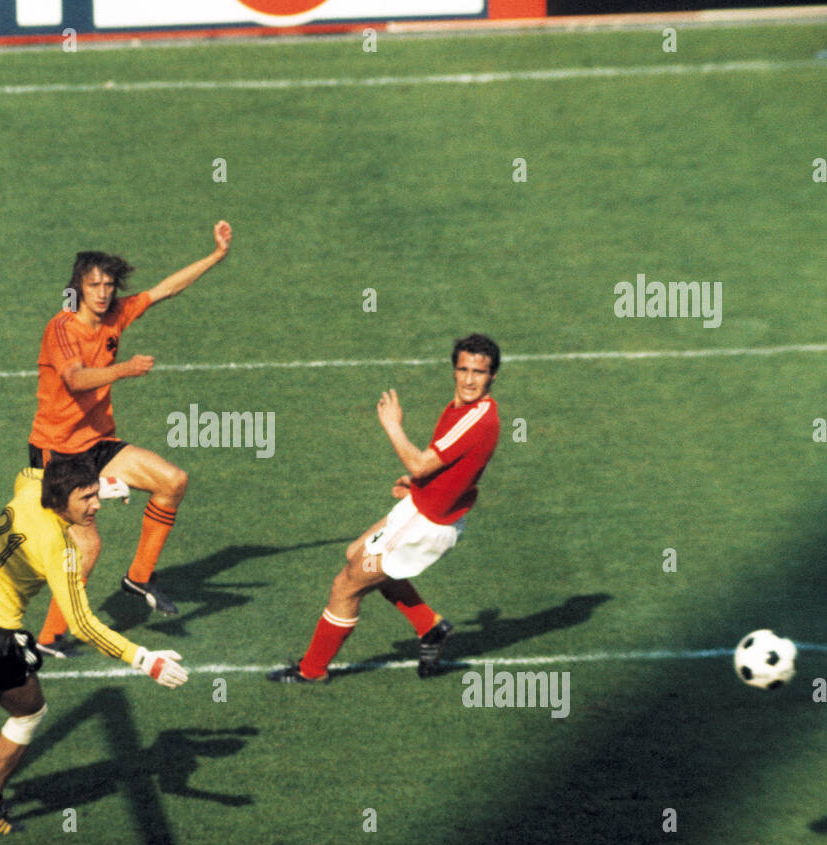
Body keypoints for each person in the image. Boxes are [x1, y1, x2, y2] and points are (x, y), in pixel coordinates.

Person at [0, 457, 189, 834]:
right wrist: (144, 659)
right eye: (88, 499)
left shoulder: (31, 491)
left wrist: (103, 482)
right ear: (61, 499)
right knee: (29, 713)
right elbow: (81, 622)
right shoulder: (59, 549)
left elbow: (29, 473)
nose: (96, 507)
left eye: (97, 495)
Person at [27, 221, 233, 656]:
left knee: (172, 480)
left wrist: (215, 256)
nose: (103, 293)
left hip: (99, 443)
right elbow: (76, 379)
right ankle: (48, 637)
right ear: (78, 288)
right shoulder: (62, 329)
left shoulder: (117, 313)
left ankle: (139, 578)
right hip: (59, 452)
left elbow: (164, 291)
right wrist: (124, 369)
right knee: (89, 546)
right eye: (94, 285)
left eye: (109, 284)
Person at [268, 333, 502, 684]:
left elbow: (423, 463)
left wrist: (393, 425)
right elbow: (448, 467)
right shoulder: (461, 407)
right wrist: (416, 485)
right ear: (454, 370)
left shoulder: (478, 417)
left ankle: (311, 670)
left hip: (427, 524)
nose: (469, 379)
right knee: (355, 554)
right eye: (463, 369)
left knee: (345, 586)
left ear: (492, 376)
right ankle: (430, 626)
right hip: (422, 507)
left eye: (479, 373)